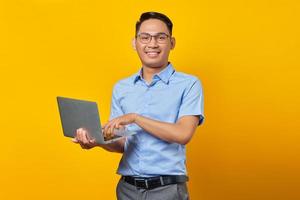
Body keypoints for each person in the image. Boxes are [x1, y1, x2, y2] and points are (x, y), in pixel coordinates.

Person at [72, 11, 204, 200]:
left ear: (172, 43)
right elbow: (122, 143)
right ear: (135, 43)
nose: (152, 44)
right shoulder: (122, 87)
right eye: (145, 37)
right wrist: (97, 142)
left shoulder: (189, 84)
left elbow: (183, 134)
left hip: (167, 189)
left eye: (160, 37)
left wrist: (135, 118)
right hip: (127, 189)